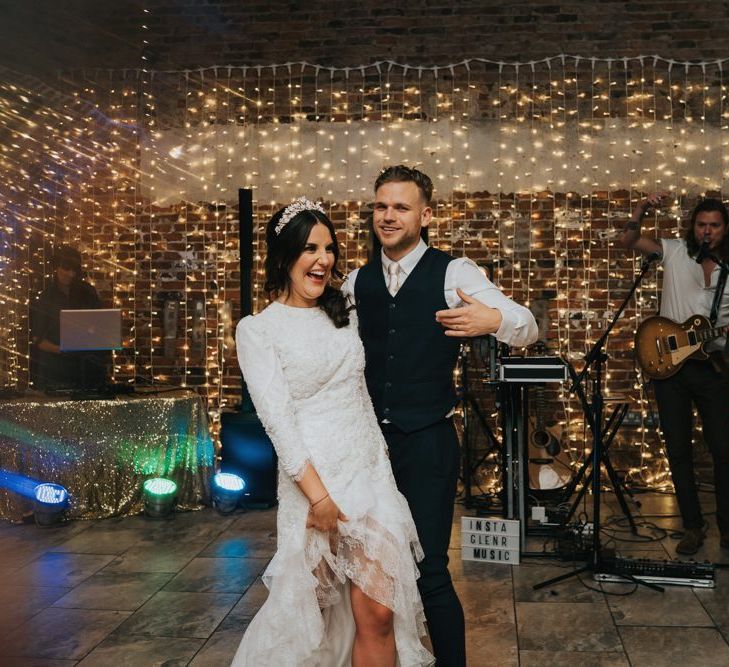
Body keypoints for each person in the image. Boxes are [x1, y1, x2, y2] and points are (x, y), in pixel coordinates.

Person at [342, 166, 538, 666]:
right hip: (364, 448)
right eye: (381, 206)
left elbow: (527, 325)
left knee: (429, 569)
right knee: (364, 573)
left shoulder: (454, 273)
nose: (388, 216)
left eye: (401, 207)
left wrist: (495, 320)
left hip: (427, 441)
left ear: (425, 215)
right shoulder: (354, 281)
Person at [232, 197, 434, 666]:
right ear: (283, 257)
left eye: (329, 248)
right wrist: (319, 500)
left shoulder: (344, 308)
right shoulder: (258, 331)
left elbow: (360, 393)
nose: (323, 260)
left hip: (368, 474)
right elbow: (278, 422)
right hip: (314, 486)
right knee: (310, 622)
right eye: (310, 249)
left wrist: (380, 467)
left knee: (379, 612)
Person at [619, 195, 729, 555]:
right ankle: (693, 527)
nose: (706, 231)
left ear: (724, 229)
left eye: (713, 225)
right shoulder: (675, 251)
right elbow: (630, 241)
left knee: (722, 451)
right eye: (701, 224)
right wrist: (640, 211)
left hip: (713, 369)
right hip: (671, 371)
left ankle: (727, 529)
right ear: (692, 226)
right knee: (678, 451)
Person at [30, 245, 105, 391]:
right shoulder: (47, 296)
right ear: (56, 267)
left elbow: (101, 326)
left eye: (74, 270)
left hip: (88, 370)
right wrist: (61, 350)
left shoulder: (88, 292)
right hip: (55, 371)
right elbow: (37, 339)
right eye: (66, 268)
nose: (71, 274)